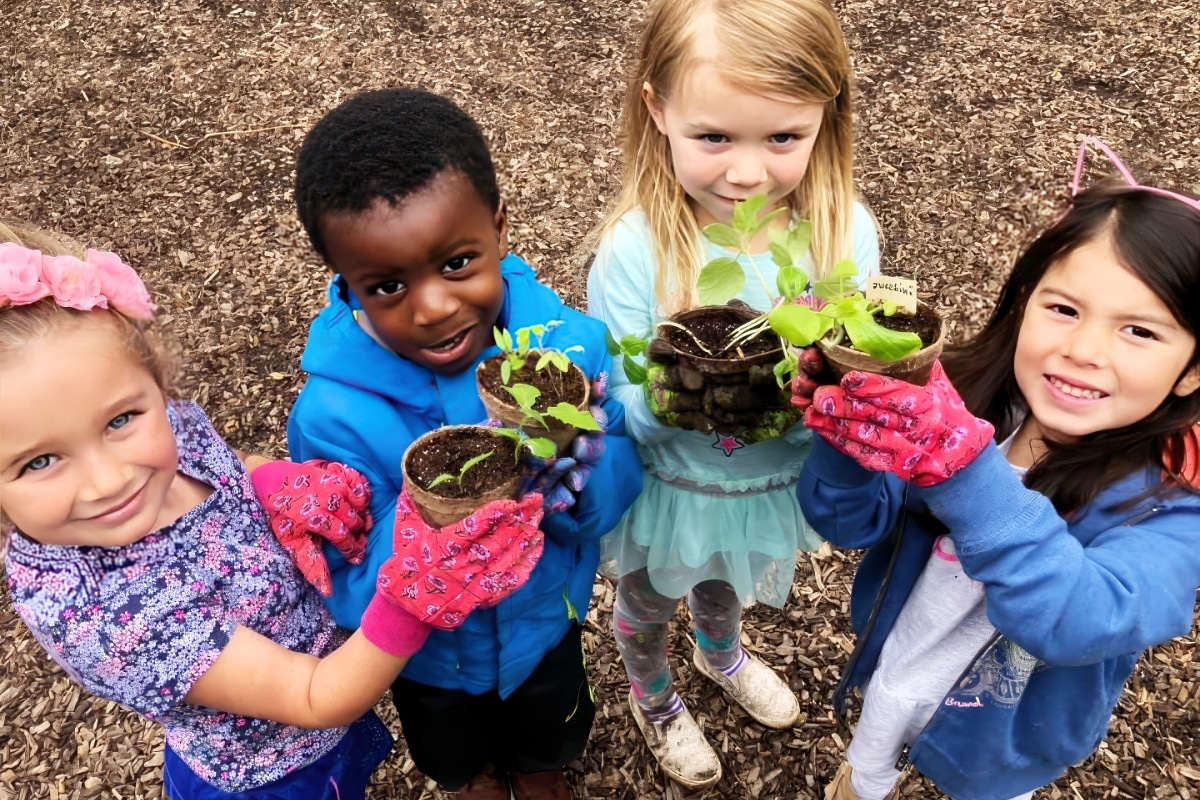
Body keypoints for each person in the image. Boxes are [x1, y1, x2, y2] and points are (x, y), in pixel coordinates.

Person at [0, 221, 544, 799]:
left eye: (120, 421)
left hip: (330, 703)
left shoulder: (167, 428)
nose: (109, 480)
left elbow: (225, 460)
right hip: (272, 771)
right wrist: (415, 593)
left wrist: (273, 480)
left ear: (155, 383)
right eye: (39, 462)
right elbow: (315, 696)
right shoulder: (105, 616)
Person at [796, 137, 1200, 800]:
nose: (1083, 349)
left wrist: (961, 466)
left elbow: (1075, 618)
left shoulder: (1172, 511)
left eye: (1140, 331)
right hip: (896, 665)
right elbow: (848, 523)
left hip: (1003, 741)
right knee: (871, 760)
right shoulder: (963, 398)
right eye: (1063, 309)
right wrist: (845, 438)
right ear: (1021, 305)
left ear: (1192, 371)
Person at [287, 88, 642, 800]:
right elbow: (344, 565)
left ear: (500, 229)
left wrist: (566, 471)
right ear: (348, 289)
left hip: (546, 623)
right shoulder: (332, 413)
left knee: (552, 730)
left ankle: (542, 772)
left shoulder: (570, 349)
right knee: (452, 754)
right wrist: (428, 532)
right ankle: (473, 780)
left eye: (456, 263)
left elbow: (622, 468)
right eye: (387, 285)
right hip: (428, 661)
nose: (434, 306)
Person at [584, 0, 881, 788]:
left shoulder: (843, 235)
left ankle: (721, 655)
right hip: (670, 486)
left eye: (783, 136)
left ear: (829, 114)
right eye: (713, 136)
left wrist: (823, 400)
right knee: (647, 604)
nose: (746, 171)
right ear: (657, 109)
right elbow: (614, 394)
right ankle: (654, 697)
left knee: (723, 581)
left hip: (764, 481)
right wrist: (683, 401)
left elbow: (860, 364)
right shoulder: (636, 248)